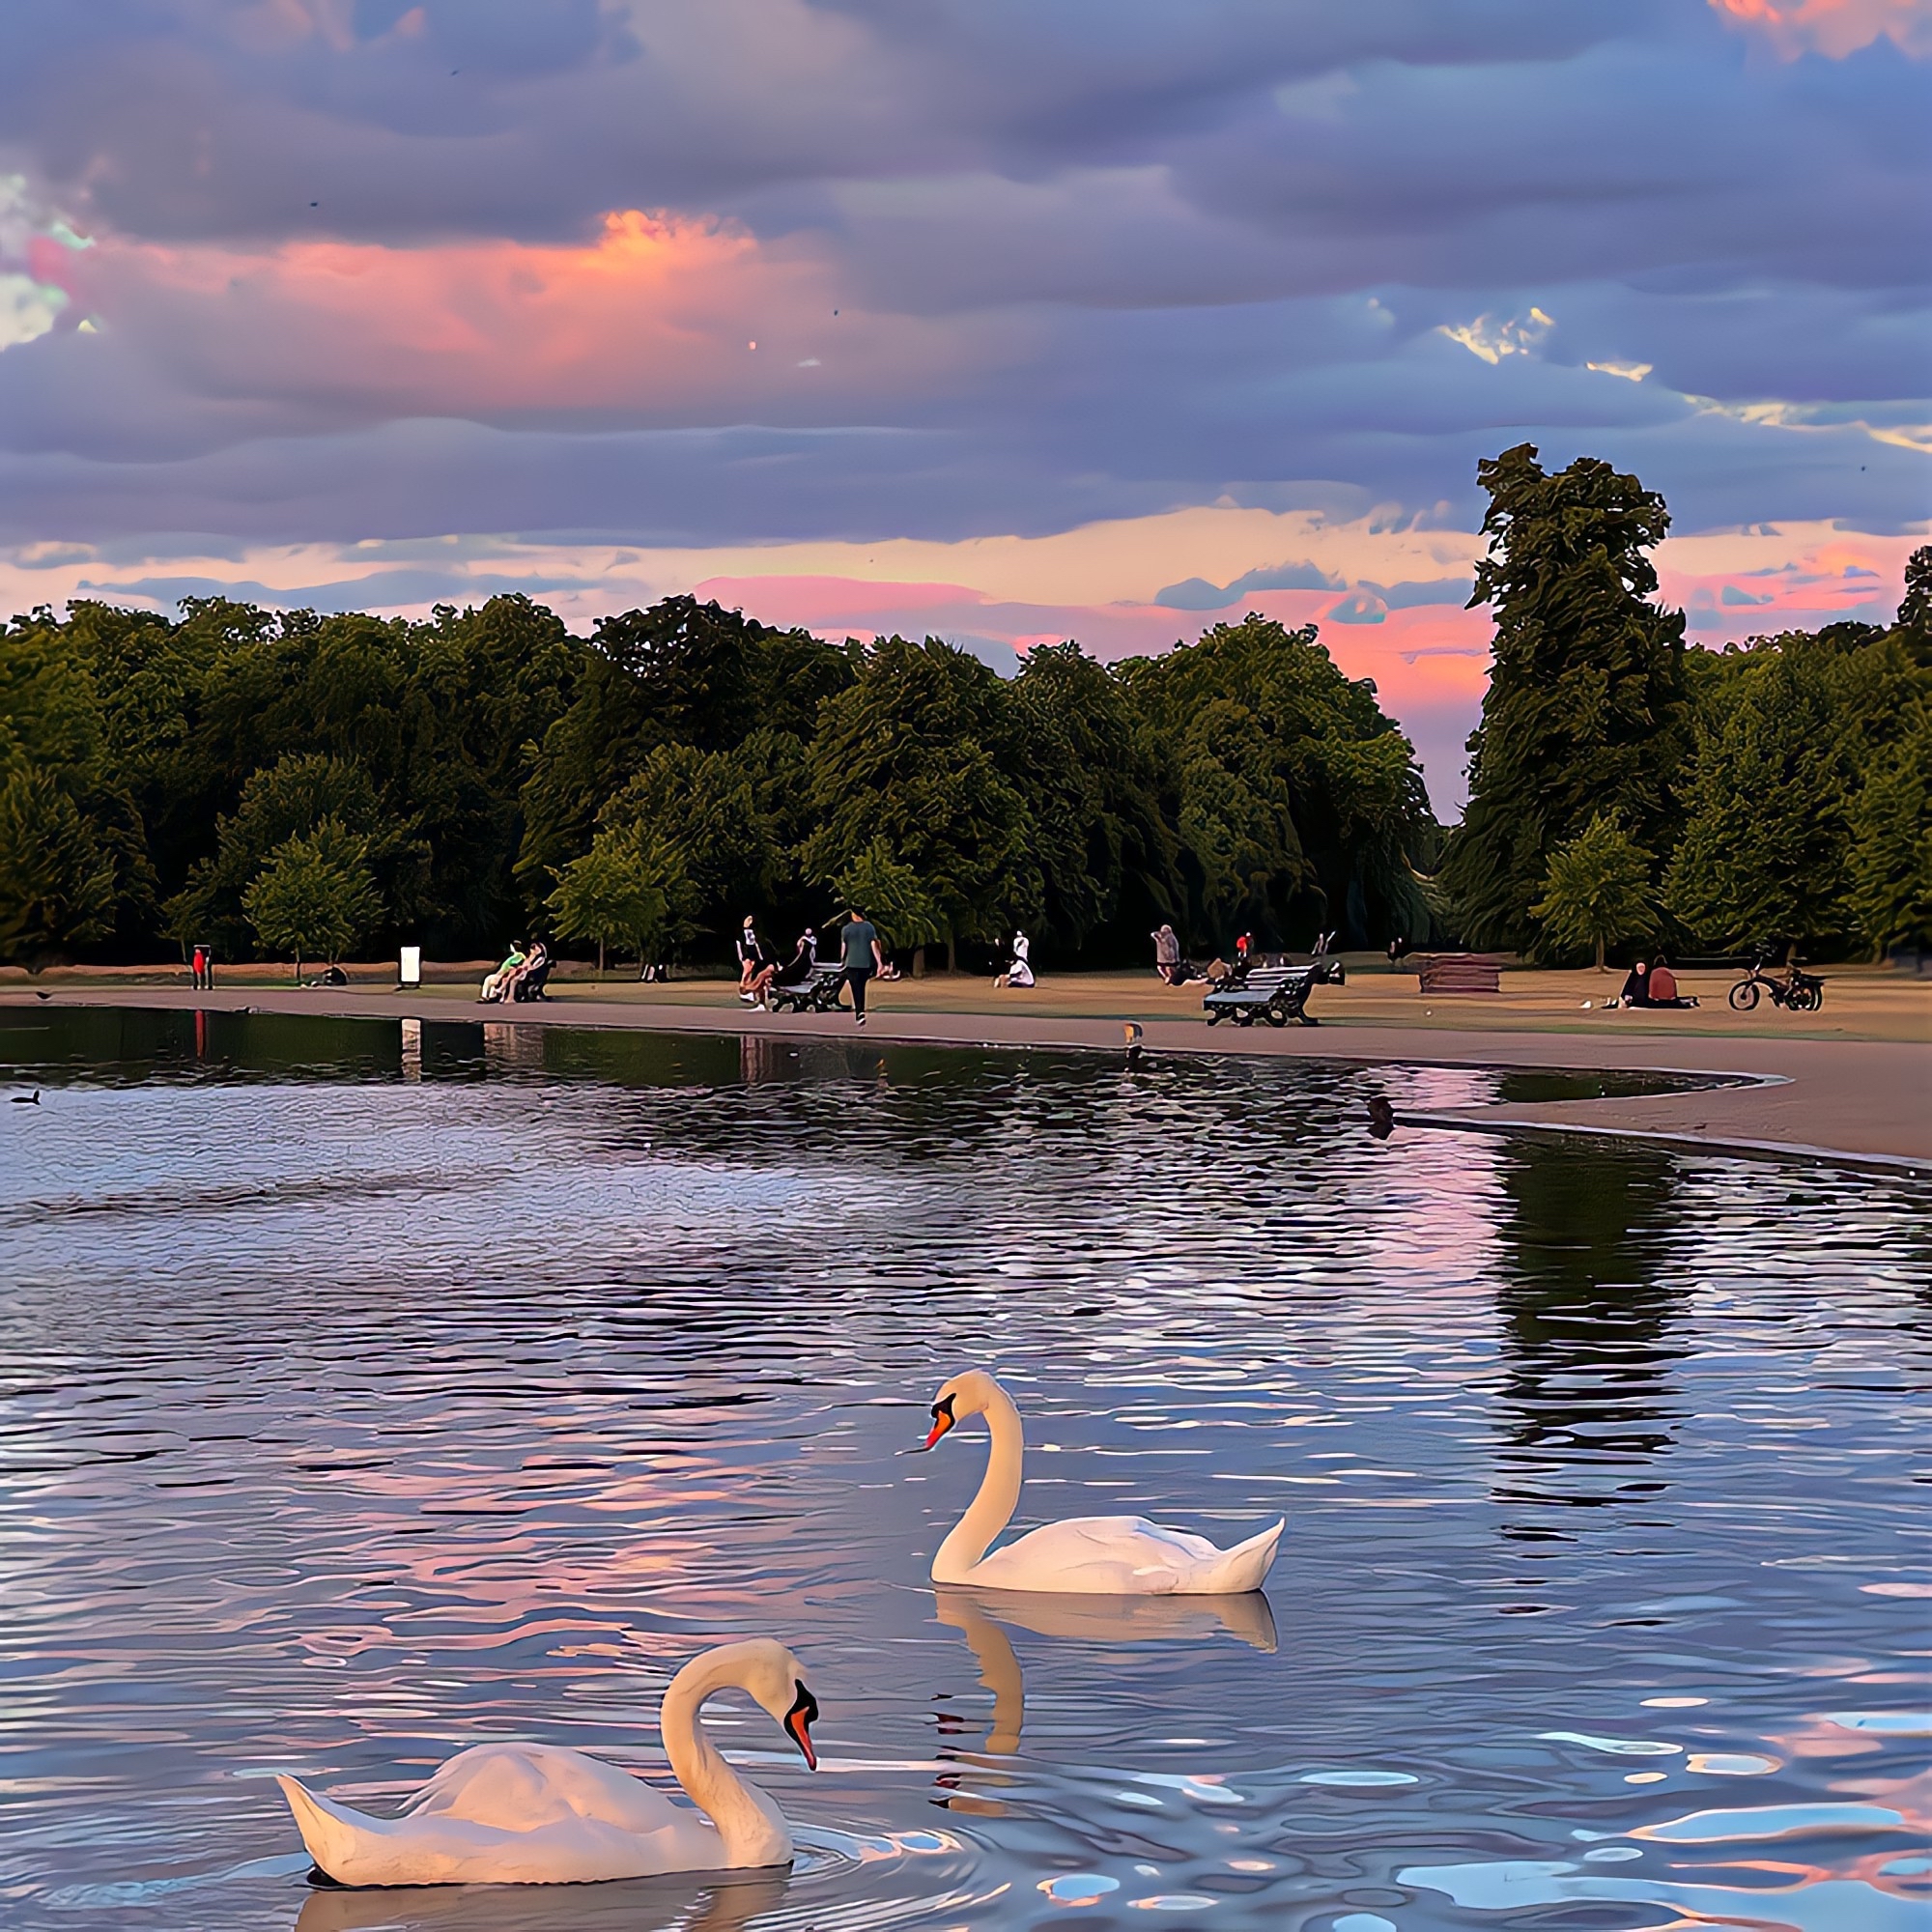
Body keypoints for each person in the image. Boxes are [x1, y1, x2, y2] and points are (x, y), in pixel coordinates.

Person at [839, 906, 885, 1024]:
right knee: (862, 986)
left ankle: (859, 1012)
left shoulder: (846, 929)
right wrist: (879, 962)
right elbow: (873, 945)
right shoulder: (869, 927)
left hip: (851, 963)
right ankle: (860, 1011)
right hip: (865, 963)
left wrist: (842, 960)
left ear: (854, 915)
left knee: (855, 987)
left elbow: (844, 947)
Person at [736, 917, 769, 999]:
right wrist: (741, 957)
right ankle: (745, 992)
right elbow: (739, 944)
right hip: (747, 955)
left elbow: (757, 944)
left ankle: (753, 994)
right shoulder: (742, 933)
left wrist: (760, 956)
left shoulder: (756, 932)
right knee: (747, 973)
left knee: (755, 975)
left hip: (755, 955)